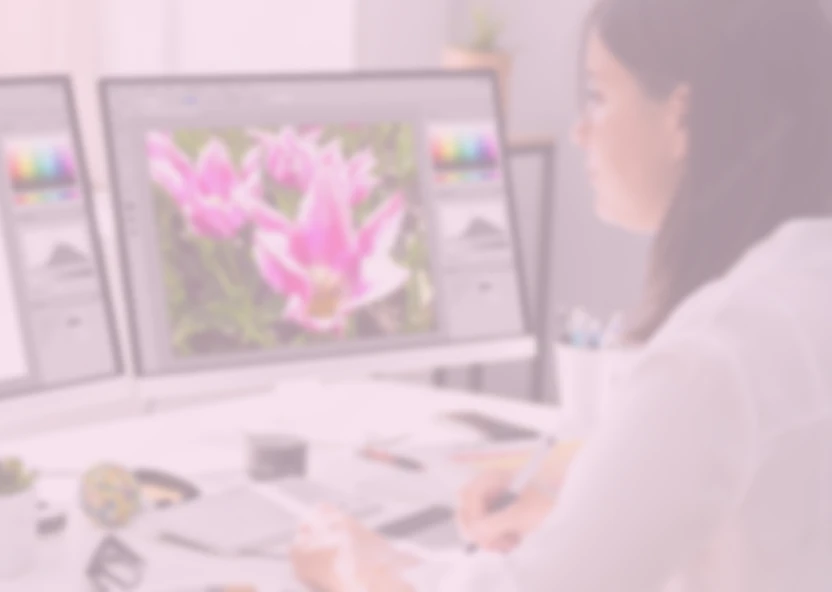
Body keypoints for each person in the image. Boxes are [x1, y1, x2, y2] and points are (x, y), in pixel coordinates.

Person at [291, 0, 832, 589]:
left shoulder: (710, 356)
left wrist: (368, 568)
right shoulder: (801, 283)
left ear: (683, 118)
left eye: (597, 97)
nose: (579, 131)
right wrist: (588, 525)